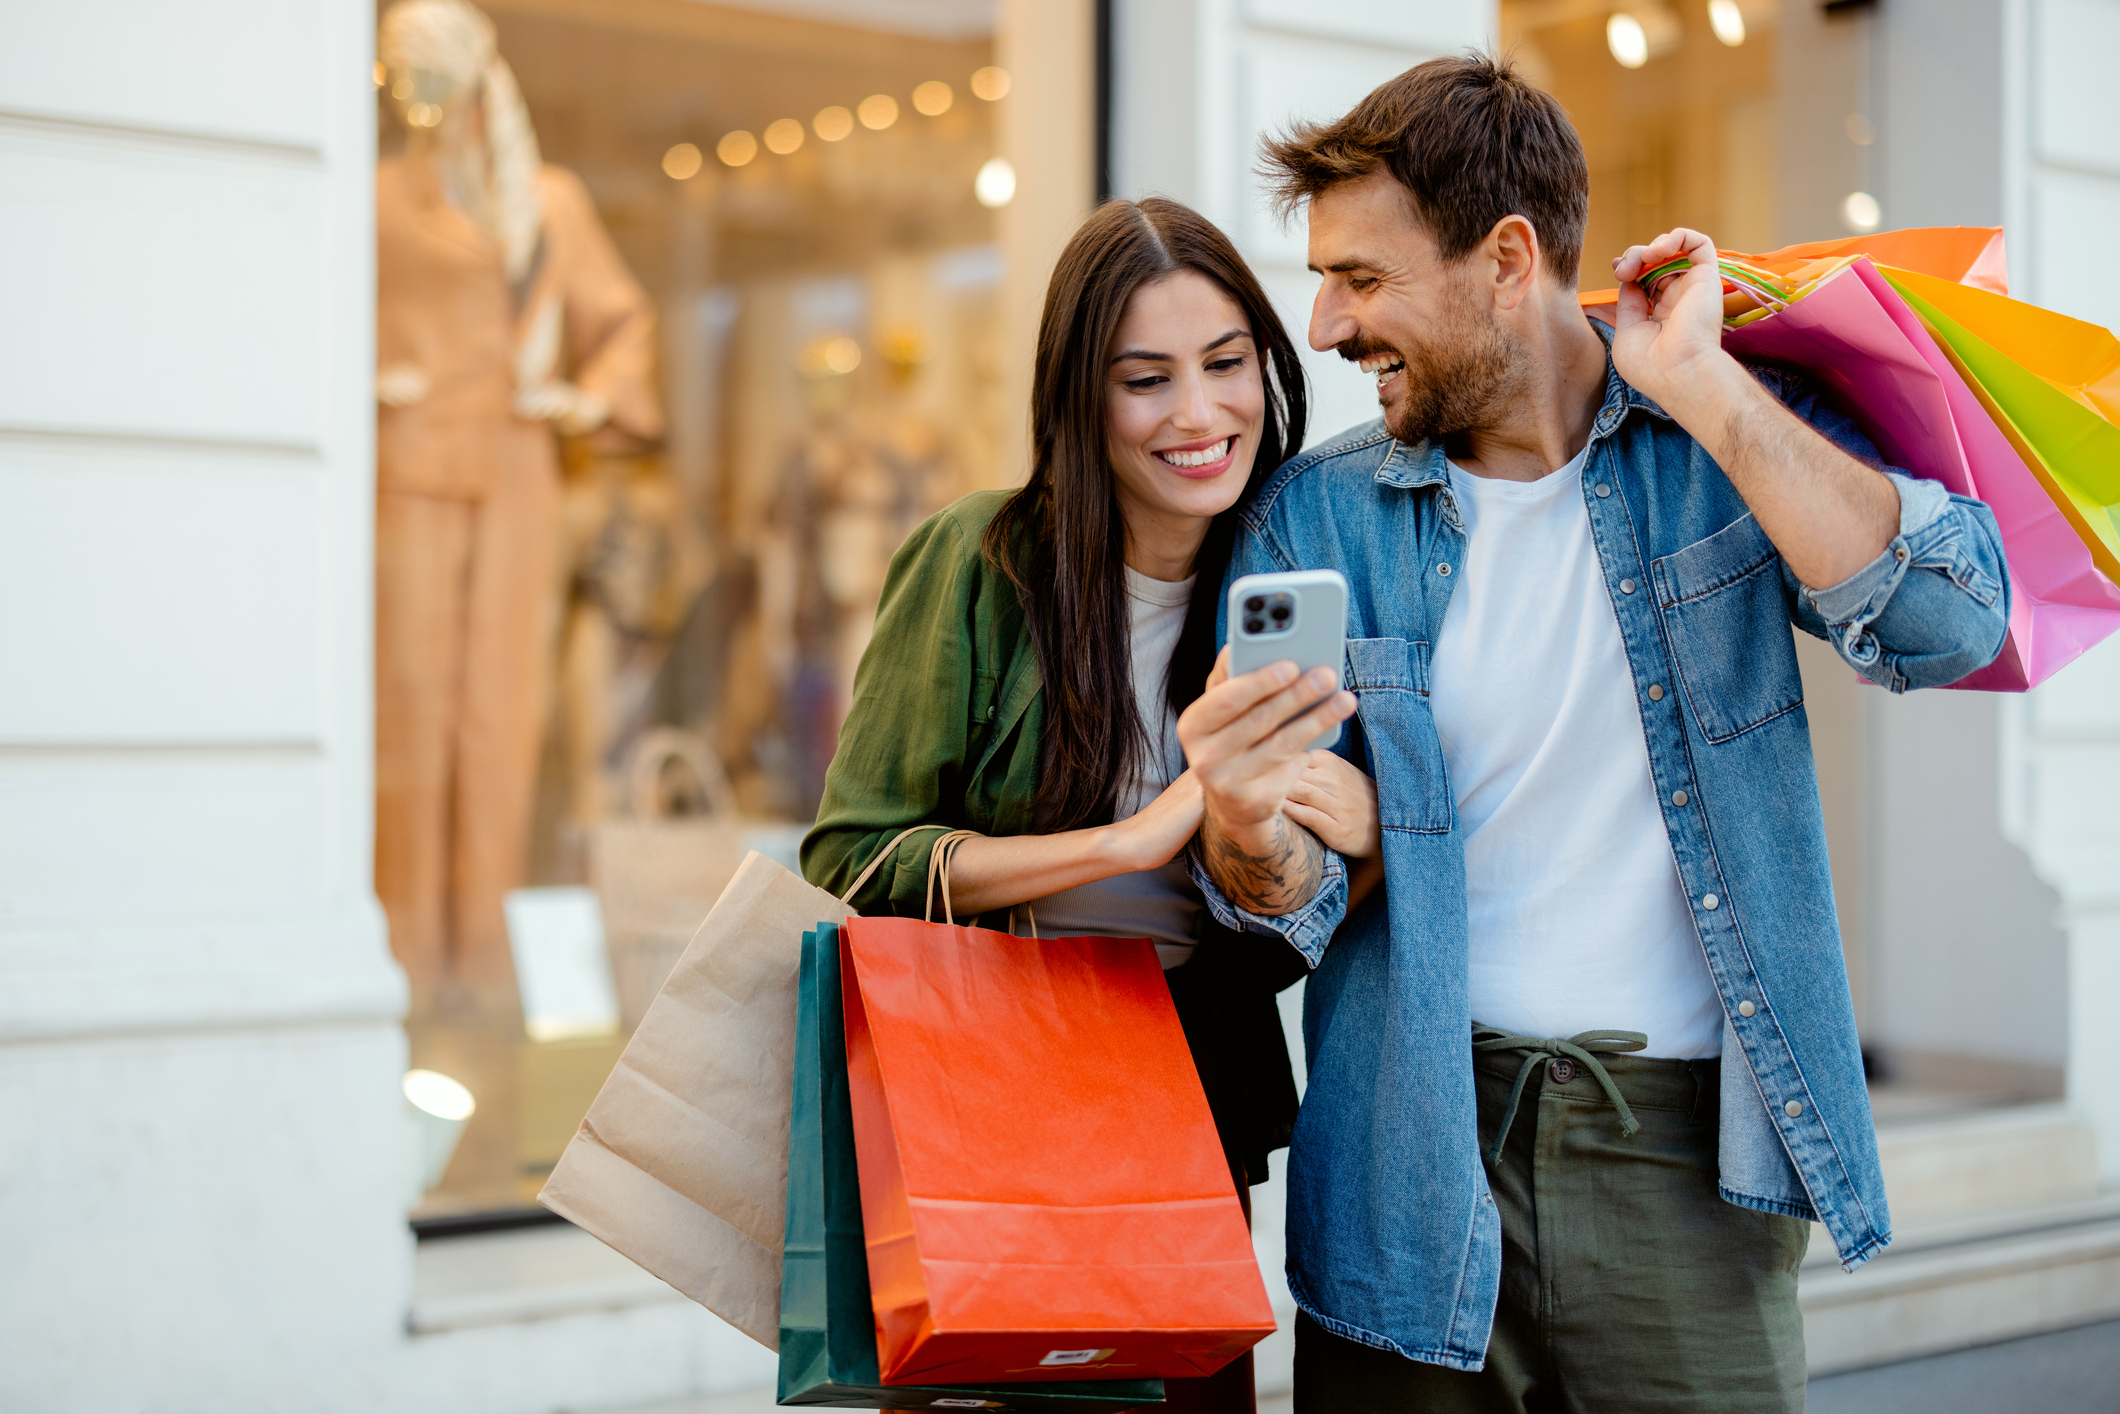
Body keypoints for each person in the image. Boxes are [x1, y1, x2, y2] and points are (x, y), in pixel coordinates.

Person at [1173, 55, 2012, 1413]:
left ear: (1508, 259)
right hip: (1409, 1155)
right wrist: (1242, 822)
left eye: (1362, 279)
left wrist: (1708, 390)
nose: (1325, 325)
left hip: (1682, 1166)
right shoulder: (1313, 519)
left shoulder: (1715, 445)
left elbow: (1948, 624)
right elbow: (1293, 905)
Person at [802, 197, 1379, 1414]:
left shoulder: (1287, 581)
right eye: (1144, 380)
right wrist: (1125, 841)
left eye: (1224, 364)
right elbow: (854, 854)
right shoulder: (980, 558)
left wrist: (1364, 834)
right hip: (981, 1097)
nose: (1197, 414)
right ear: (1081, 396)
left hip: (1185, 1096)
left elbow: (1300, 926)